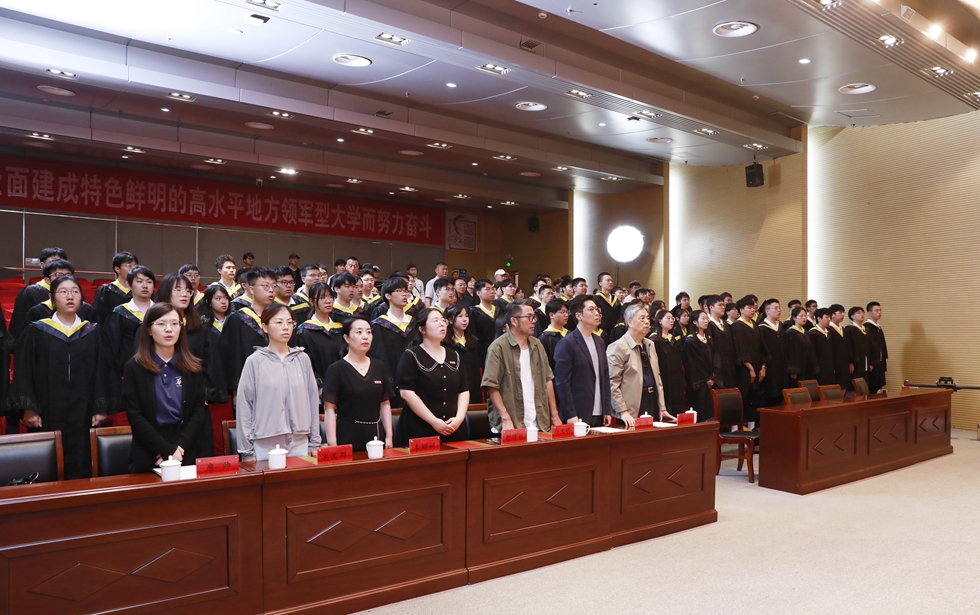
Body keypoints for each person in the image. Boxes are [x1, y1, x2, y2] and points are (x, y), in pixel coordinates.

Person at [12, 275, 104, 479]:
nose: (70, 296)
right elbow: (24, 371)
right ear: (52, 297)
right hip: (46, 408)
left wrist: (100, 407)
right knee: (47, 465)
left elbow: (102, 371)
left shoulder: (93, 332)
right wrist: (29, 407)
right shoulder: (36, 331)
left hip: (83, 410)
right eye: (63, 292)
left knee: (82, 463)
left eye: (75, 292)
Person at [123, 303, 207, 472]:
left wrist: (178, 449)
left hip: (185, 449)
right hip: (149, 451)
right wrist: (166, 449)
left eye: (175, 323)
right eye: (161, 324)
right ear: (148, 329)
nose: (169, 329)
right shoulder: (135, 367)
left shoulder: (192, 366)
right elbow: (135, 415)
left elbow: (198, 410)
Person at [236, 304, 320, 460]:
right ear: (265, 327)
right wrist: (246, 450)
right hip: (266, 442)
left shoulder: (302, 359)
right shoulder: (254, 361)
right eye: (279, 322)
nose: (286, 327)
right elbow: (244, 406)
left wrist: (314, 442)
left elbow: (312, 400)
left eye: (290, 322)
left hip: (299, 441)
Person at [482, 302, 560, 433]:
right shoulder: (498, 347)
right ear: (514, 321)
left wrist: (554, 415)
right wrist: (505, 418)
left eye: (534, 317)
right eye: (529, 317)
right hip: (511, 423)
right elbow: (491, 385)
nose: (533, 321)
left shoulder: (537, 345)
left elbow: (548, 379)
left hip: (540, 422)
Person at [396, 308, 470, 444]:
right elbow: (406, 393)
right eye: (435, 320)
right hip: (420, 428)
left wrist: (459, 418)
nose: (441, 324)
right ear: (422, 330)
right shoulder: (411, 355)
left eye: (443, 320)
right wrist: (434, 421)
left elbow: (464, 390)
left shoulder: (455, 355)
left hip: (453, 426)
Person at [323, 317, 394, 451]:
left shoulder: (379, 367)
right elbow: (329, 409)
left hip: (376, 434)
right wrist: (332, 443)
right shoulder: (336, 369)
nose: (365, 337)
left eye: (368, 332)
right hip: (347, 434)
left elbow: (385, 404)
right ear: (346, 338)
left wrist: (389, 435)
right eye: (359, 332)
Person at [100, 265, 155, 416]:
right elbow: (111, 350)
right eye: (139, 281)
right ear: (128, 285)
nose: (145, 285)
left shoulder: (162, 313)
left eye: (149, 282)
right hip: (129, 377)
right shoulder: (120, 313)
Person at [554, 295, 614, 426]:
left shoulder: (599, 341)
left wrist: (606, 410)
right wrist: (570, 414)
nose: (597, 313)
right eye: (591, 310)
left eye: (597, 309)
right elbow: (562, 382)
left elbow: (604, 377)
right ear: (579, 316)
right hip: (577, 413)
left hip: (599, 412)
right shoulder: (567, 343)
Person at [608, 303, 671, 425]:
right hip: (631, 407)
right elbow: (612, 382)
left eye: (648, 318)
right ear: (630, 322)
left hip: (652, 400)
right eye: (642, 318)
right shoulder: (618, 346)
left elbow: (657, 377)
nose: (647, 322)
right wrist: (622, 411)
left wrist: (662, 407)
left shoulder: (650, 344)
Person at [221, 267, 275, 397]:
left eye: (274, 286)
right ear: (251, 289)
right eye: (265, 286)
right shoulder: (238, 319)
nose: (271, 290)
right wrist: (236, 388)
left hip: (278, 381)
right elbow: (231, 357)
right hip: (249, 385)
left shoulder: (281, 319)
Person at [368, 275, 416, 409]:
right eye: (399, 291)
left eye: (405, 291)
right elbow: (378, 355)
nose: (404, 294)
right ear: (388, 296)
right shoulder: (379, 325)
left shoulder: (413, 323)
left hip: (415, 382)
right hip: (392, 382)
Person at [8, 247, 68, 348]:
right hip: (38, 345)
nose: (59, 266)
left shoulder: (74, 293)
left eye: (62, 262)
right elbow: (20, 325)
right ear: (42, 265)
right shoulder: (29, 292)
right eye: (53, 262)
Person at [291, 282, 346, 389]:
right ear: (311, 301)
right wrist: (318, 384)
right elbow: (305, 362)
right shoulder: (305, 330)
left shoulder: (339, 328)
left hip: (343, 382)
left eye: (330, 297)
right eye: (322, 298)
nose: (328, 301)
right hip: (318, 386)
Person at [198, 284, 231, 454]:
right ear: (208, 302)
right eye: (218, 298)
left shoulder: (235, 322)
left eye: (225, 298)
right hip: (214, 381)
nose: (223, 302)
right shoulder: (203, 325)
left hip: (231, 380)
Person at [23, 260, 98, 326]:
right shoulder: (37, 311)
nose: (64, 278)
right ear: (47, 280)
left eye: (68, 275)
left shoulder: (87, 310)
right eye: (58, 275)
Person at [731, 297, 768, 427]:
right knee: (743, 397)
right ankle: (737, 427)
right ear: (741, 310)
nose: (753, 310)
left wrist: (763, 366)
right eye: (749, 308)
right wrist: (750, 369)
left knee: (755, 397)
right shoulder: (736, 326)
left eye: (753, 307)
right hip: (744, 370)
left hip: (758, 368)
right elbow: (740, 349)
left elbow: (763, 348)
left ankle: (752, 426)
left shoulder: (755, 325)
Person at [651, 309, 686, 419]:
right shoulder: (655, 340)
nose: (671, 321)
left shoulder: (673, 339)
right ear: (660, 321)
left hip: (676, 379)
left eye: (672, 318)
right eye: (668, 318)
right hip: (664, 378)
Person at [681, 310, 717, 421]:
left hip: (711, 381)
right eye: (703, 319)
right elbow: (691, 364)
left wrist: (713, 377)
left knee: (712, 410)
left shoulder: (709, 339)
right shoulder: (690, 341)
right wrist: (704, 380)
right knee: (700, 410)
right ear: (695, 322)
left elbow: (715, 359)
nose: (706, 321)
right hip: (698, 383)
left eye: (707, 319)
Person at [444, 304, 482, 405]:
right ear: (450, 320)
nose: (465, 319)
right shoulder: (445, 343)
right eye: (460, 316)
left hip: (472, 383)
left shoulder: (473, 341)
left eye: (466, 316)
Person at [92, 251, 136, 325]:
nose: (133, 269)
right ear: (117, 269)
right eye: (129, 265)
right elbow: (99, 317)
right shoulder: (106, 291)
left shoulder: (139, 291)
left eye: (135, 266)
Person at [757, 299, 786, 408]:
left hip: (781, 368)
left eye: (779, 308)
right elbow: (760, 350)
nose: (779, 310)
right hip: (769, 368)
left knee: (780, 396)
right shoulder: (761, 328)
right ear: (767, 311)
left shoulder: (781, 327)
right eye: (776, 308)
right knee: (768, 396)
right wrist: (763, 366)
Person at [705, 294, 736, 389]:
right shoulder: (707, 326)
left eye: (723, 305)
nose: (723, 307)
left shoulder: (726, 325)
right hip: (715, 370)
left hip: (729, 367)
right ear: (711, 307)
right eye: (720, 305)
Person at [784, 306, 816, 388]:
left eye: (805, 316)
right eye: (801, 316)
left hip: (807, 366)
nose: (804, 318)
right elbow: (789, 353)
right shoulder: (790, 333)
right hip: (798, 368)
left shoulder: (806, 333)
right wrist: (793, 370)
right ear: (794, 317)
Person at [469, 278, 498, 367]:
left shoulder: (499, 310)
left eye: (493, 289)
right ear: (478, 293)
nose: (492, 292)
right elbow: (472, 336)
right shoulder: (473, 312)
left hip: (500, 351)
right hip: (482, 354)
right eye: (487, 289)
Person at [537, 299, 569, 375]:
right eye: (562, 312)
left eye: (567, 312)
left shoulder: (570, 334)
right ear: (551, 315)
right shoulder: (544, 338)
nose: (566, 315)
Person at [808, 308, 836, 386]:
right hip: (819, 367)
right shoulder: (813, 333)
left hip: (829, 366)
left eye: (830, 317)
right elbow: (812, 353)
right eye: (826, 317)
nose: (829, 319)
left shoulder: (829, 332)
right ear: (819, 318)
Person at [828, 303, 852, 391]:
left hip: (844, 363)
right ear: (832, 315)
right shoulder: (828, 330)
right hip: (834, 364)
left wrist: (850, 362)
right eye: (840, 313)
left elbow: (848, 347)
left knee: (844, 387)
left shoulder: (843, 329)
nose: (842, 315)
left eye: (843, 313)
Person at [865, 302, 888, 393]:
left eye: (880, 310)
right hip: (872, 362)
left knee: (878, 385)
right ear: (869, 312)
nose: (879, 312)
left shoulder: (878, 327)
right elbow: (868, 346)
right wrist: (870, 362)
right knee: (872, 385)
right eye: (876, 310)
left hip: (880, 361)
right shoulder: (867, 327)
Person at [594, 272, 622, 341]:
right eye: (607, 280)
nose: (610, 282)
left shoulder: (615, 299)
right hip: (602, 333)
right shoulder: (596, 299)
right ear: (600, 283)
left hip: (615, 333)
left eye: (611, 280)